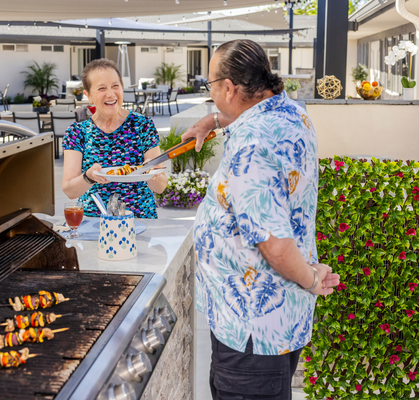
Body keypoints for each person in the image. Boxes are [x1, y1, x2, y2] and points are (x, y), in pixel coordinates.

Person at [181, 40, 341, 399]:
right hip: (278, 321)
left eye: (210, 86)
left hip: (252, 330)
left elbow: (276, 246)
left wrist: (312, 278)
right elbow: (248, 115)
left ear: (229, 88)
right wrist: (212, 120)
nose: (211, 93)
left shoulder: (252, 143)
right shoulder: (289, 112)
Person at [62, 58, 167, 218]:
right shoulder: (77, 132)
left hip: (139, 220)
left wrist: (150, 172)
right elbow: (70, 190)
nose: (110, 94)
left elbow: (160, 187)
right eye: (102, 88)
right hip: (94, 222)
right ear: (88, 95)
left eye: (115, 86)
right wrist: (89, 176)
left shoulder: (142, 125)